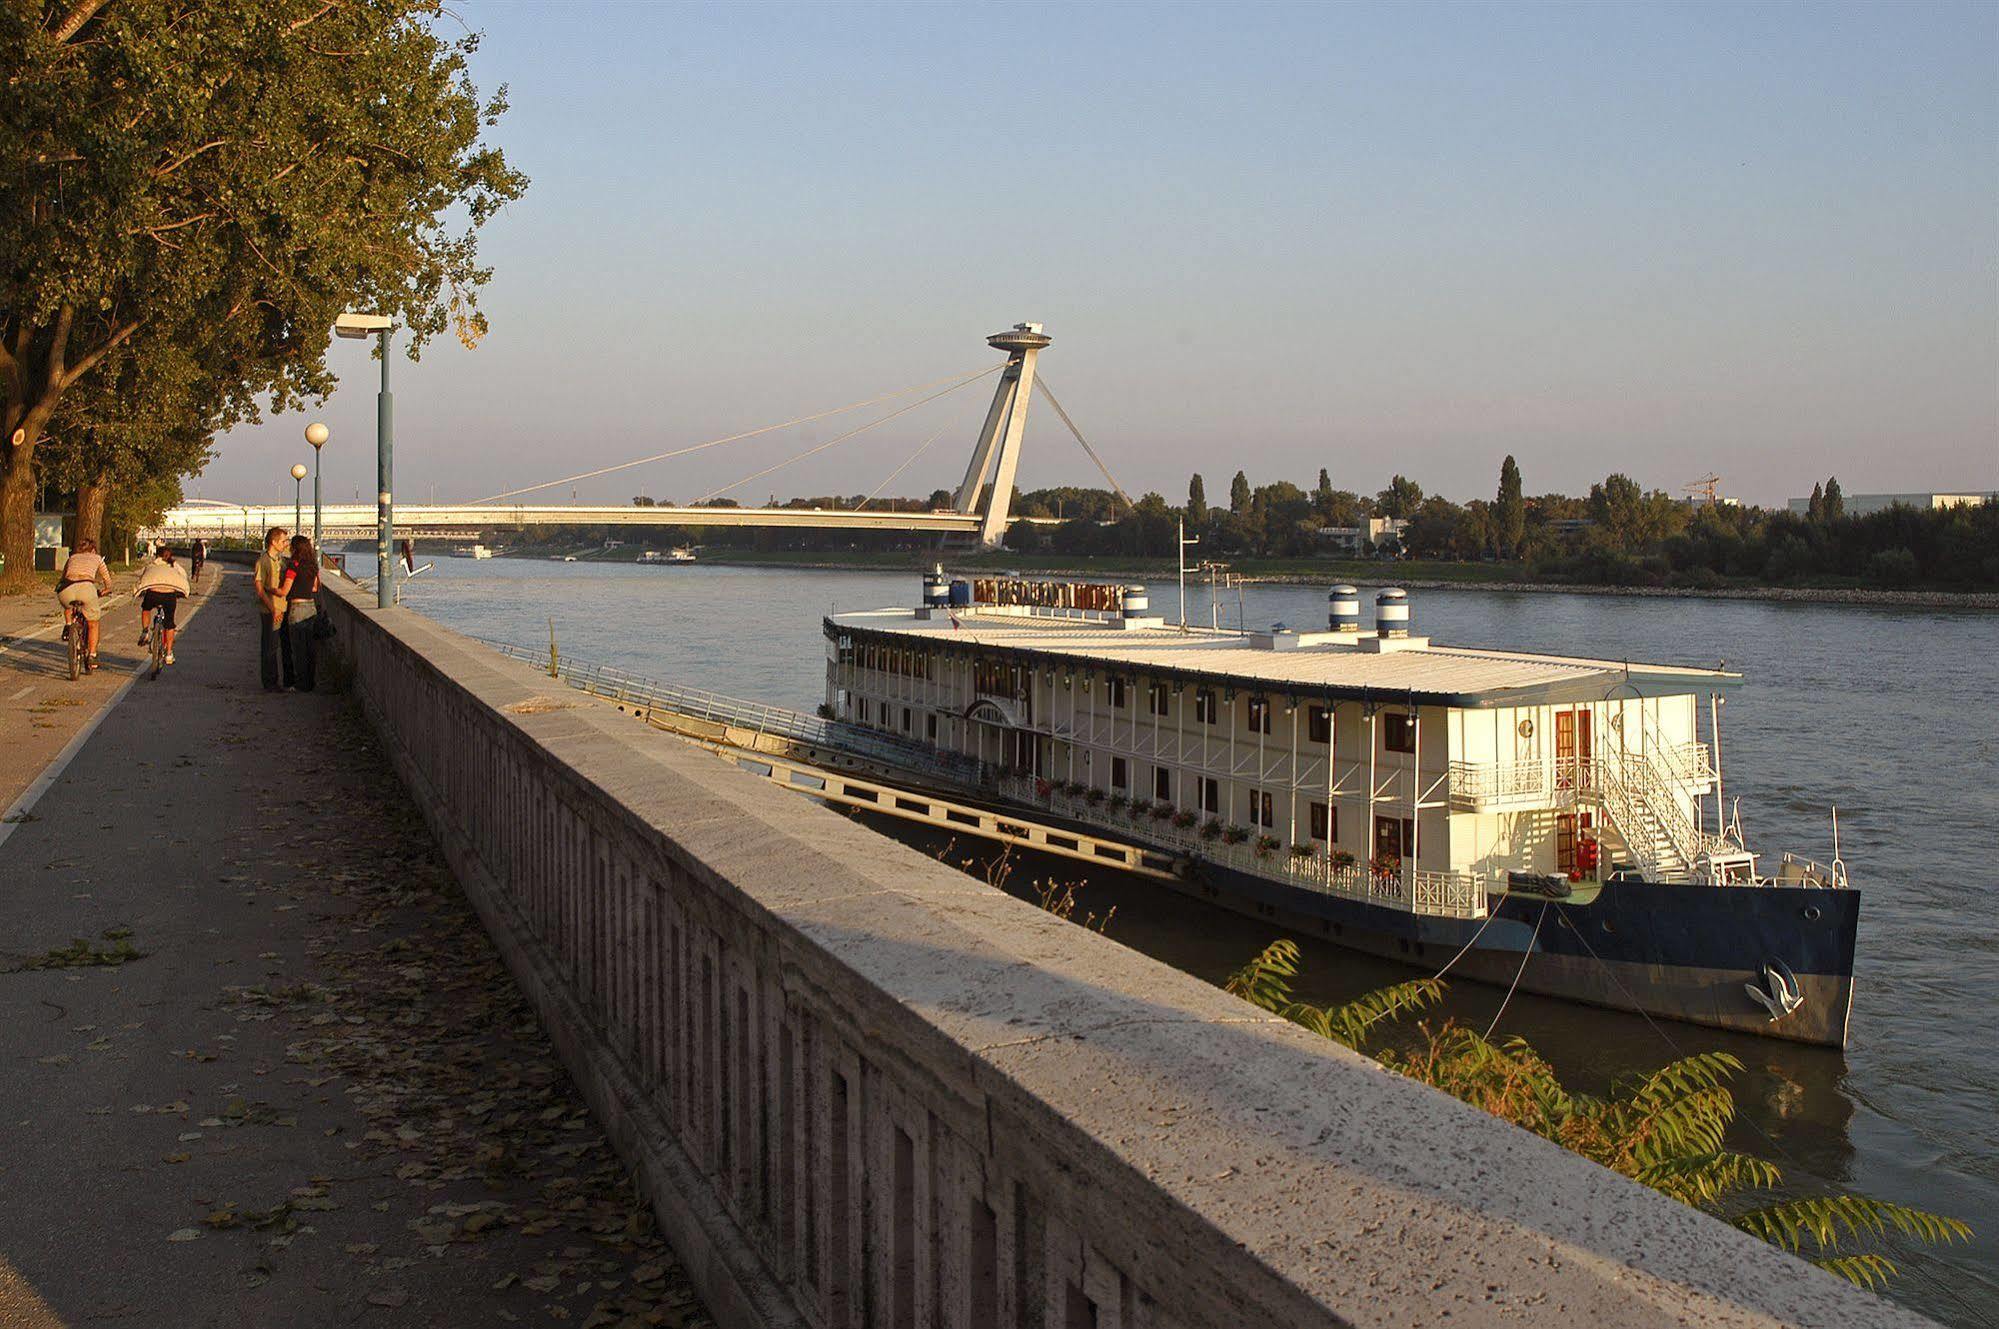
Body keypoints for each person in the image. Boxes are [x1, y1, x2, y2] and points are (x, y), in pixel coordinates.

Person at [54, 538, 114, 672]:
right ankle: (92, 655)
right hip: (86, 589)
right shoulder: (97, 558)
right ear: (93, 550)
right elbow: (107, 580)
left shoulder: (72, 558)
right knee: (93, 623)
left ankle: (68, 624)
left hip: (66, 590)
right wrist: (106, 590)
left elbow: (63, 577)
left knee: (69, 605)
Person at [133, 545, 192, 665]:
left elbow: (144, 578)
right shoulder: (175, 566)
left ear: (157, 555)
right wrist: (181, 592)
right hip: (169, 596)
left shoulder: (151, 565)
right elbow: (183, 577)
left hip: (153, 594)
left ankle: (145, 632)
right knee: (169, 624)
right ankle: (169, 654)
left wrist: (138, 591)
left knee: (146, 608)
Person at [279, 534, 321, 692]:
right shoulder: (312, 565)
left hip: (297, 608)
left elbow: (285, 590)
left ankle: (300, 684)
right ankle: (310, 682)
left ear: (295, 548)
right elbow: (315, 588)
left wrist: (270, 589)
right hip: (311, 607)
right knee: (309, 647)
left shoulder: (293, 566)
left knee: (298, 649)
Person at [254, 526, 292, 691]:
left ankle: (276, 680)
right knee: (270, 647)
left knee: (277, 645)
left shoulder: (280, 560)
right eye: (283, 541)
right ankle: (270, 682)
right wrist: (273, 609)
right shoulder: (263, 561)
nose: (286, 544)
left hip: (281, 608)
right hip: (271, 610)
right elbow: (259, 588)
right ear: (274, 542)